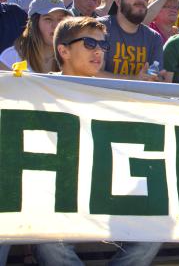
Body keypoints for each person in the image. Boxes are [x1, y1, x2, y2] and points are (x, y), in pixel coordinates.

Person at [31, 16, 162, 266]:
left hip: (110, 194)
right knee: (49, 241)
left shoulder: (115, 95)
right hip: (60, 198)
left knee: (154, 231)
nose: (99, 51)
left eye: (103, 45)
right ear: (63, 50)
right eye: (90, 43)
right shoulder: (39, 91)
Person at [98, 0, 168, 81]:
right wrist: (134, 80)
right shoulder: (98, 28)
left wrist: (155, 79)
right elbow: (93, 73)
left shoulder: (154, 38)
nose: (141, 0)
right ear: (118, 0)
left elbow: (155, 77)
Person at [0, 0, 71, 72]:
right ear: (34, 24)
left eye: (60, 19)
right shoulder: (12, 57)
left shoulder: (73, 57)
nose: (56, 25)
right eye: (48, 19)